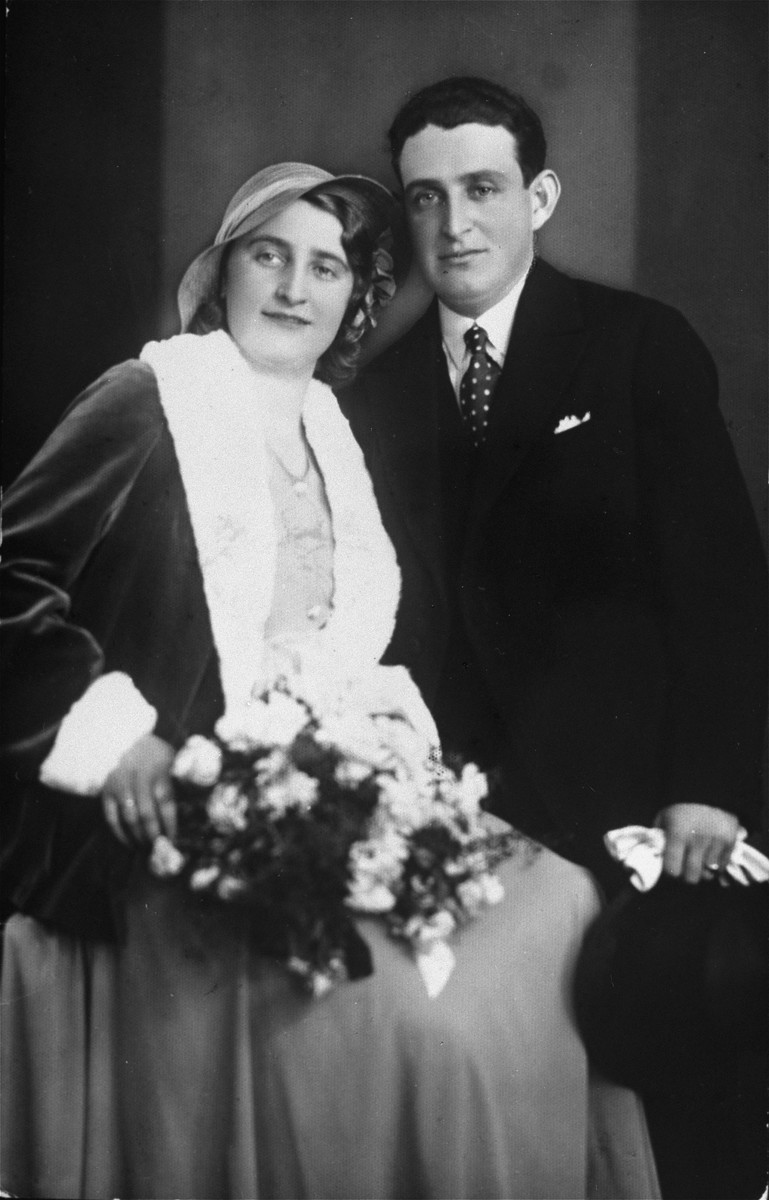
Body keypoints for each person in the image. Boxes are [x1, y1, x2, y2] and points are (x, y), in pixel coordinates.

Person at [0, 162, 661, 1200]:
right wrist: (114, 738)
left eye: (325, 266)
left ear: (354, 296)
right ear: (223, 273)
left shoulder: (330, 429)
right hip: (165, 821)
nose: (295, 288)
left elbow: (338, 646)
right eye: (270, 256)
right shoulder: (149, 399)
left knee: (564, 907)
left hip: (319, 788)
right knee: (429, 1027)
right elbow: (10, 575)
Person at [339, 77, 768, 1198]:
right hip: (470, 834)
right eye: (423, 198)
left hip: (635, 812)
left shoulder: (634, 347)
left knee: (675, 1123)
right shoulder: (370, 399)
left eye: (480, 189)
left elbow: (723, 591)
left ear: (540, 195)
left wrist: (708, 785)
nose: (453, 225)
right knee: (513, 1138)